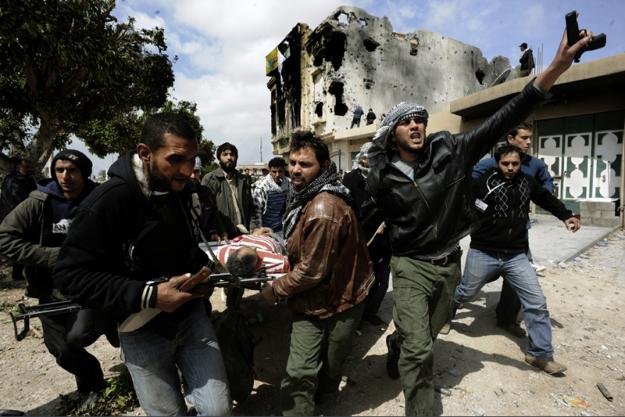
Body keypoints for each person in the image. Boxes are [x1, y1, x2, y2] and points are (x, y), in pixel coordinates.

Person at [366, 26, 595, 415]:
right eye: (407, 122)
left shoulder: (450, 150)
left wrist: (557, 66)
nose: (416, 125)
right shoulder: (381, 175)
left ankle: (397, 343)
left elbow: (506, 116)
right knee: (421, 351)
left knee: (426, 335)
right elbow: (367, 215)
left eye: (420, 119)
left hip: (448, 263)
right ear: (392, 133)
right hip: (410, 265)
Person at [53, 113, 231, 416]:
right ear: (145, 153)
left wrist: (202, 273)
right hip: (139, 328)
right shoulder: (110, 200)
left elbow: (185, 247)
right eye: (176, 159)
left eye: (192, 160)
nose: (187, 170)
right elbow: (69, 275)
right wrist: (149, 295)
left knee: (218, 410)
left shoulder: (181, 190)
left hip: (191, 319)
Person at [260, 131, 373, 415]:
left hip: (343, 299)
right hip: (311, 300)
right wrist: (273, 238)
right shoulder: (304, 195)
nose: (295, 170)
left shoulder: (324, 207)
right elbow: (303, 247)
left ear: (323, 166)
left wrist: (275, 290)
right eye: (293, 162)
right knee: (300, 373)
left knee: (332, 366)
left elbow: (311, 270)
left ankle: (323, 395)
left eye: (305, 164)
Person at [455, 144, 580, 374]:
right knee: (465, 292)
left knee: (536, 302)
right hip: (484, 251)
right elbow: (463, 206)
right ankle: (445, 313)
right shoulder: (483, 183)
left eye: (515, 163)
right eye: (505, 164)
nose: (511, 168)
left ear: (521, 163)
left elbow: (546, 199)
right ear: (497, 163)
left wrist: (566, 215)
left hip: (515, 255)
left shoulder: (527, 182)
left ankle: (540, 355)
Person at [0, 150, 110, 407]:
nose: (65, 176)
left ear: (84, 173)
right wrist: (52, 256)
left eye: (72, 170)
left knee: (78, 336)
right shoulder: (39, 202)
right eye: (60, 170)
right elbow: (4, 238)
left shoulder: (101, 198)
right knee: (60, 349)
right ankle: (92, 383)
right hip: (50, 289)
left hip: (91, 285)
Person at [472, 122, 554, 337]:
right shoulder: (489, 164)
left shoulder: (535, 165)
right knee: (474, 280)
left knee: (518, 279)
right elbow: (469, 186)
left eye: (530, 138)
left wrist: (532, 196)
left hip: (519, 234)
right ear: (510, 139)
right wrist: (481, 209)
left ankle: (506, 319)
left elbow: (547, 187)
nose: (528, 142)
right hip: (489, 234)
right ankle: (450, 308)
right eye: (524, 138)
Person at [343, 142, 390, 326]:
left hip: (383, 237)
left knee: (381, 279)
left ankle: (370, 312)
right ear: (363, 158)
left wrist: (386, 223)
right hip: (360, 238)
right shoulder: (350, 179)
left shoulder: (385, 177)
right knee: (360, 279)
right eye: (372, 157)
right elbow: (346, 210)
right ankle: (355, 316)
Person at [202, 142, 257, 239]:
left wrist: (253, 227)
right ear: (219, 158)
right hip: (222, 237)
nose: (229, 157)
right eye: (225, 154)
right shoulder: (210, 180)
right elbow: (207, 211)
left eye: (232, 154)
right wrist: (214, 231)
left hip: (244, 234)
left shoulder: (244, 180)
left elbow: (251, 207)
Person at [0, 157, 37, 281]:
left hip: (21, 216)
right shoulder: (14, 180)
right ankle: (17, 273)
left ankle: (19, 273)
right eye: (26, 166)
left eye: (29, 167)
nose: (28, 169)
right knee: (19, 243)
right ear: (18, 166)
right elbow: (13, 199)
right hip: (17, 216)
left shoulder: (27, 179)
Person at [252, 157, 291, 236]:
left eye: (280, 171)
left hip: (281, 227)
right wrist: (259, 230)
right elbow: (257, 211)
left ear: (284, 171)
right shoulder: (262, 186)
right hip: (265, 229)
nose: (277, 175)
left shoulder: (289, 184)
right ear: (270, 171)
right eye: (274, 172)